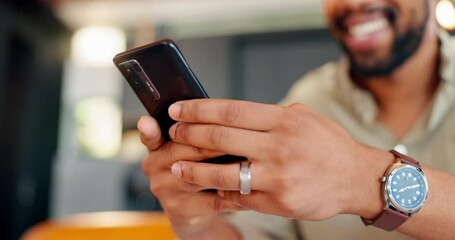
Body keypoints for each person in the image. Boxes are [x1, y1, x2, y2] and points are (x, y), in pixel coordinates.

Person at [138, 0, 455, 239]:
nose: (354, 4)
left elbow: (356, 178)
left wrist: (361, 179)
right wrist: (194, 223)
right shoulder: (308, 101)